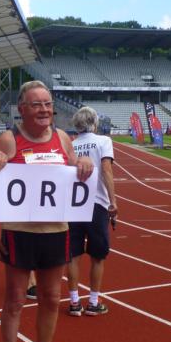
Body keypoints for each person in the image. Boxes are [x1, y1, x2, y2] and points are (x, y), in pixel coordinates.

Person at [0, 80, 93, 342]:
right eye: (36, 104)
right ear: (22, 109)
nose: (44, 110)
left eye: (47, 104)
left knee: (51, 298)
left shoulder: (62, 138)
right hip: (20, 231)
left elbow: (75, 169)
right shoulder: (10, 139)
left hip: (56, 231)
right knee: (15, 300)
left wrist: (83, 163)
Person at [66, 107, 117, 316]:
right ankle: (93, 302)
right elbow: (106, 169)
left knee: (73, 255)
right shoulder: (103, 141)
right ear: (94, 123)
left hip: (73, 204)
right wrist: (113, 201)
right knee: (98, 256)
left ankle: (74, 302)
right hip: (97, 203)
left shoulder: (70, 145)